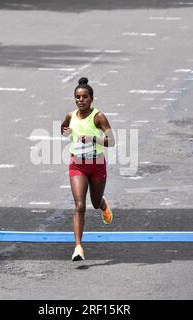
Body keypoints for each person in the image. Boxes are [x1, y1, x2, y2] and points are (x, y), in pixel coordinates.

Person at [61, 77, 115, 261]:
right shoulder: (71, 115)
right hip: (78, 165)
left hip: (97, 165)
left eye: (84, 97)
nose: (80, 100)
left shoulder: (98, 117)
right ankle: (78, 247)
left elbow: (111, 141)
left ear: (91, 99)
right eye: (77, 97)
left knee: (94, 202)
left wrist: (93, 139)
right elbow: (64, 127)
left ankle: (103, 204)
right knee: (80, 205)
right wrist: (66, 131)